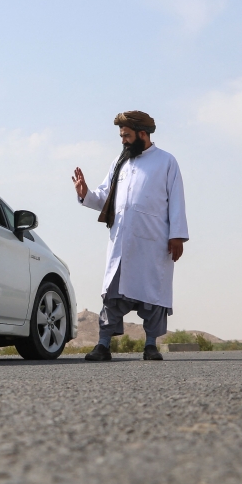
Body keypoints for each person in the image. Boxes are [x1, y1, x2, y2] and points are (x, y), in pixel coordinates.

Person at [72, 111, 188, 361]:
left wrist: (177, 235)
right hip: (122, 242)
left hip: (154, 242)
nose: (123, 140)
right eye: (121, 136)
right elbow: (104, 197)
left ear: (142, 134)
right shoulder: (119, 162)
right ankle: (103, 345)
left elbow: (177, 201)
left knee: (153, 295)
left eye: (126, 135)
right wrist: (85, 193)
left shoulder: (166, 162)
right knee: (113, 294)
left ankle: (150, 345)